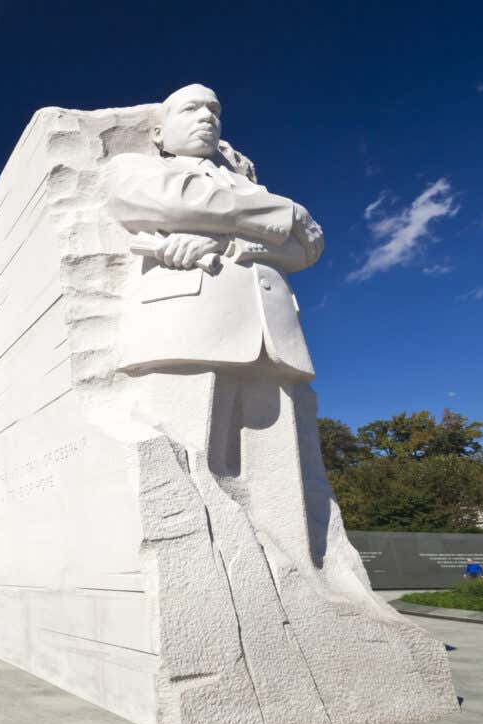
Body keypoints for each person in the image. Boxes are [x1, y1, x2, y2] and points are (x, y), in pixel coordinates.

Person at [104, 83, 330, 573]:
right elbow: (171, 200)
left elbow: (307, 249)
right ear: (160, 131)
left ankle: (296, 581)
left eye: (214, 110)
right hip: (187, 327)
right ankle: (206, 579)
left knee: (282, 477)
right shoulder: (137, 166)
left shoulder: (250, 186)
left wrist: (246, 241)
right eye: (192, 108)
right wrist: (284, 213)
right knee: (188, 467)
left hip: (273, 333)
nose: (207, 116)